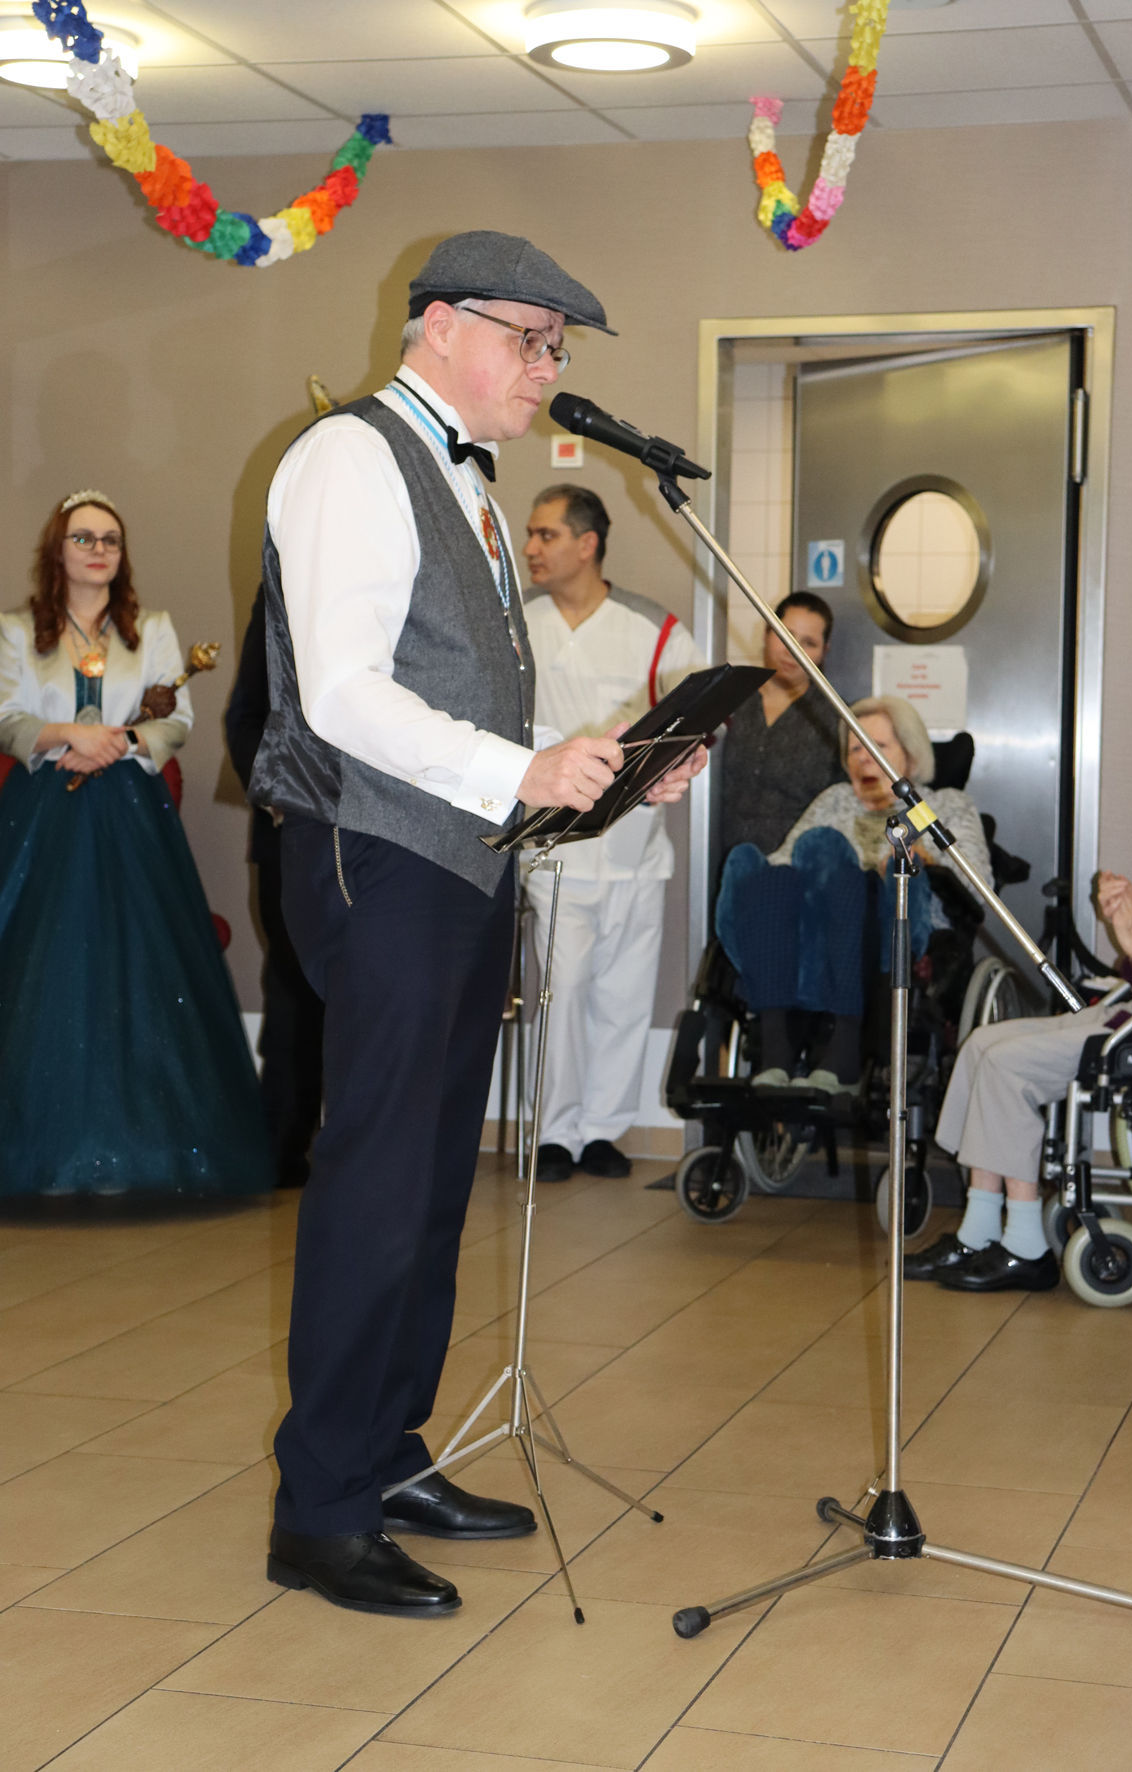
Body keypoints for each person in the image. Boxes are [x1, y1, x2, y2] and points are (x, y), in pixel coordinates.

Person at [249, 232, 705, 1620]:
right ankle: (320, 1510)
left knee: (436, 1179)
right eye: (531, 338)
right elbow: (340, 692)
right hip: (373, 859)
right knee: (378, 1178)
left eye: (558, 348)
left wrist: (605, 773)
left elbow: (468, 698)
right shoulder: (350, 456)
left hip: (457, 863)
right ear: (440, 324)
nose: (547, 368)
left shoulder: (476, 484)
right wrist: (519, 769)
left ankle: (387, 1455)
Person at [0, 491, 272, 1197]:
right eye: (84, 538)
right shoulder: (17, 629)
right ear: (57, 549)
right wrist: (71, 736)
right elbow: (7, 716)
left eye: (111, 540)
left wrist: (117, 743)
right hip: (43, 810)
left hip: (129, 811)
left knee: (136, 966)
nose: (99, 550)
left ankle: (136, 1153)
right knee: (44, 968)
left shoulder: (150, 628)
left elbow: (175, 719)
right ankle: (41, 1151)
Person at [521, 483, 705, 1184]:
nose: (531, 548)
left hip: (636, 846)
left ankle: (603, 1129)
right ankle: (554, 1132)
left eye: (545, 535)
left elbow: (699, 715)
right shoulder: (517, 623)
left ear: (587, 543)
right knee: (562, 989)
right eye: (531, 535)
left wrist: (687, 753)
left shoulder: (654, 628)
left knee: (624, 993)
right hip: (554, 846)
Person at [906, 870, 1132, 1293]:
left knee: (1006, 1064)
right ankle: (978, 1230)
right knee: (980, 1045)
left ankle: (1026, 1247)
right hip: (1127, 1016)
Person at [717, 695, 991, 1089]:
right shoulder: (834, 800)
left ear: (911, 755)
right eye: (856, 748)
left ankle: (841, 1046)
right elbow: (782, 863)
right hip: (818, 930)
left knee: (830, 853)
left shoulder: (944, 806)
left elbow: (977, 885)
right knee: (756, 865)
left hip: (899, 921)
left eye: (878, 747)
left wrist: (925, 858)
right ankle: (776, 1048)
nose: (864, 758)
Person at [225, 585, 324, 1188]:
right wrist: (274, 793)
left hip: (385, 835)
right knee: (292, 987)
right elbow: (245, 716)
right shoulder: (279, 589)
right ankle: (283, 1147)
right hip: (291, 831)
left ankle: (362, 1152)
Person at [720, 591, 843, 857]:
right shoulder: (728, 699)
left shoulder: (835, 719)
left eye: (809, 643)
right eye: (784, 635)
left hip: (798, 866)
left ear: (824, 651)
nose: (793, 650)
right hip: (713, 861)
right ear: (766, 633)